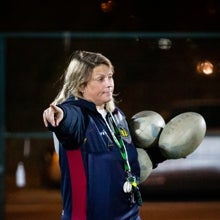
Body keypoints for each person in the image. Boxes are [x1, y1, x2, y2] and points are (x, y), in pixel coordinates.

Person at [43, 50, 165, 220]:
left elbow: (123, 162)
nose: (109, 84)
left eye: (110, 76)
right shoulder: (77, 114)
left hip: (129, 215)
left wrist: (160, 152)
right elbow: (71, 121)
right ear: (81, 85)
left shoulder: (116, 115)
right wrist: (60, 116)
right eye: (101, 79)